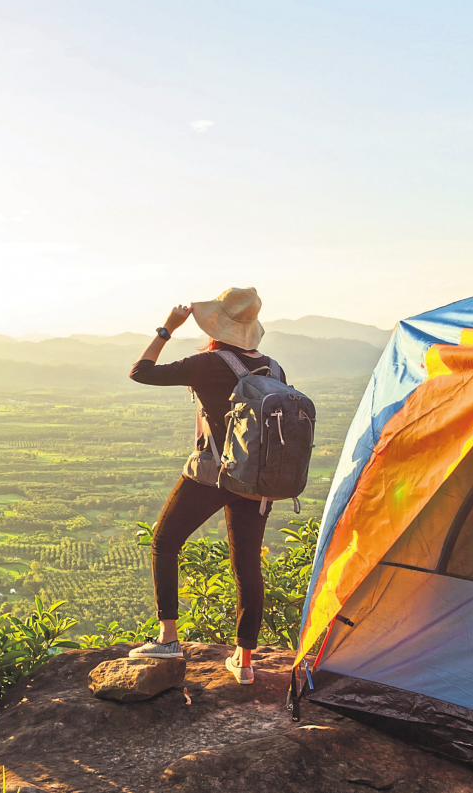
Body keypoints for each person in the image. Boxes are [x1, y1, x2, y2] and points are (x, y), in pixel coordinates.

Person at [125, 287, 283, 685]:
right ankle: (244, 662)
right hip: (257, 479)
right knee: (247, 566)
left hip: (214, 474)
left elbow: (140, 372)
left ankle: (167, 639)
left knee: (164, 541)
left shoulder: (208, 362)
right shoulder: (274, 368)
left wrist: (167, 329)